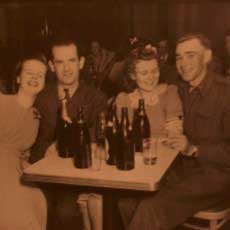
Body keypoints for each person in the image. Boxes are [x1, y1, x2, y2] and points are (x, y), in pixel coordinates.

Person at [118, 33, 230, 230]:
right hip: (181, 170)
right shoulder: (180, 90)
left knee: (150, 208)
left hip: (216, 176)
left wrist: (194, 149)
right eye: (179, 57)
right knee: (126, 203)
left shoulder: (225, 93)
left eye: (191, 55)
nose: (183, 63)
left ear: (207, 56)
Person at [29, 34, 107, 230]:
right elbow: (30, 141)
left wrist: (65, 144)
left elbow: (99, 134)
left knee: (65, 212)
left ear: (81, 62)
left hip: (76, 177)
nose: (66, 68)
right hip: (41, 175)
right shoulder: (39, 97)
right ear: (51, 66)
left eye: (72, 60)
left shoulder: (96, 97)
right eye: (60, 62)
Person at [0, 51, 47, 229]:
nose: (35, 78)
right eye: (29, 73)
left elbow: (23, 153)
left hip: (16, 168)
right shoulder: (2, 102)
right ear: (18, 78)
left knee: (37, 198)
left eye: (40, 75)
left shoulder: (36, 116)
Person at [115, 44, 183, 137]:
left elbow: (175, 135)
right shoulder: (123, 99)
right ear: (133, 75)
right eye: (144, 73)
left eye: (154, 71)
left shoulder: (170, 93)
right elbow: (125, 137)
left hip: (165, 150)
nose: (151, 77)